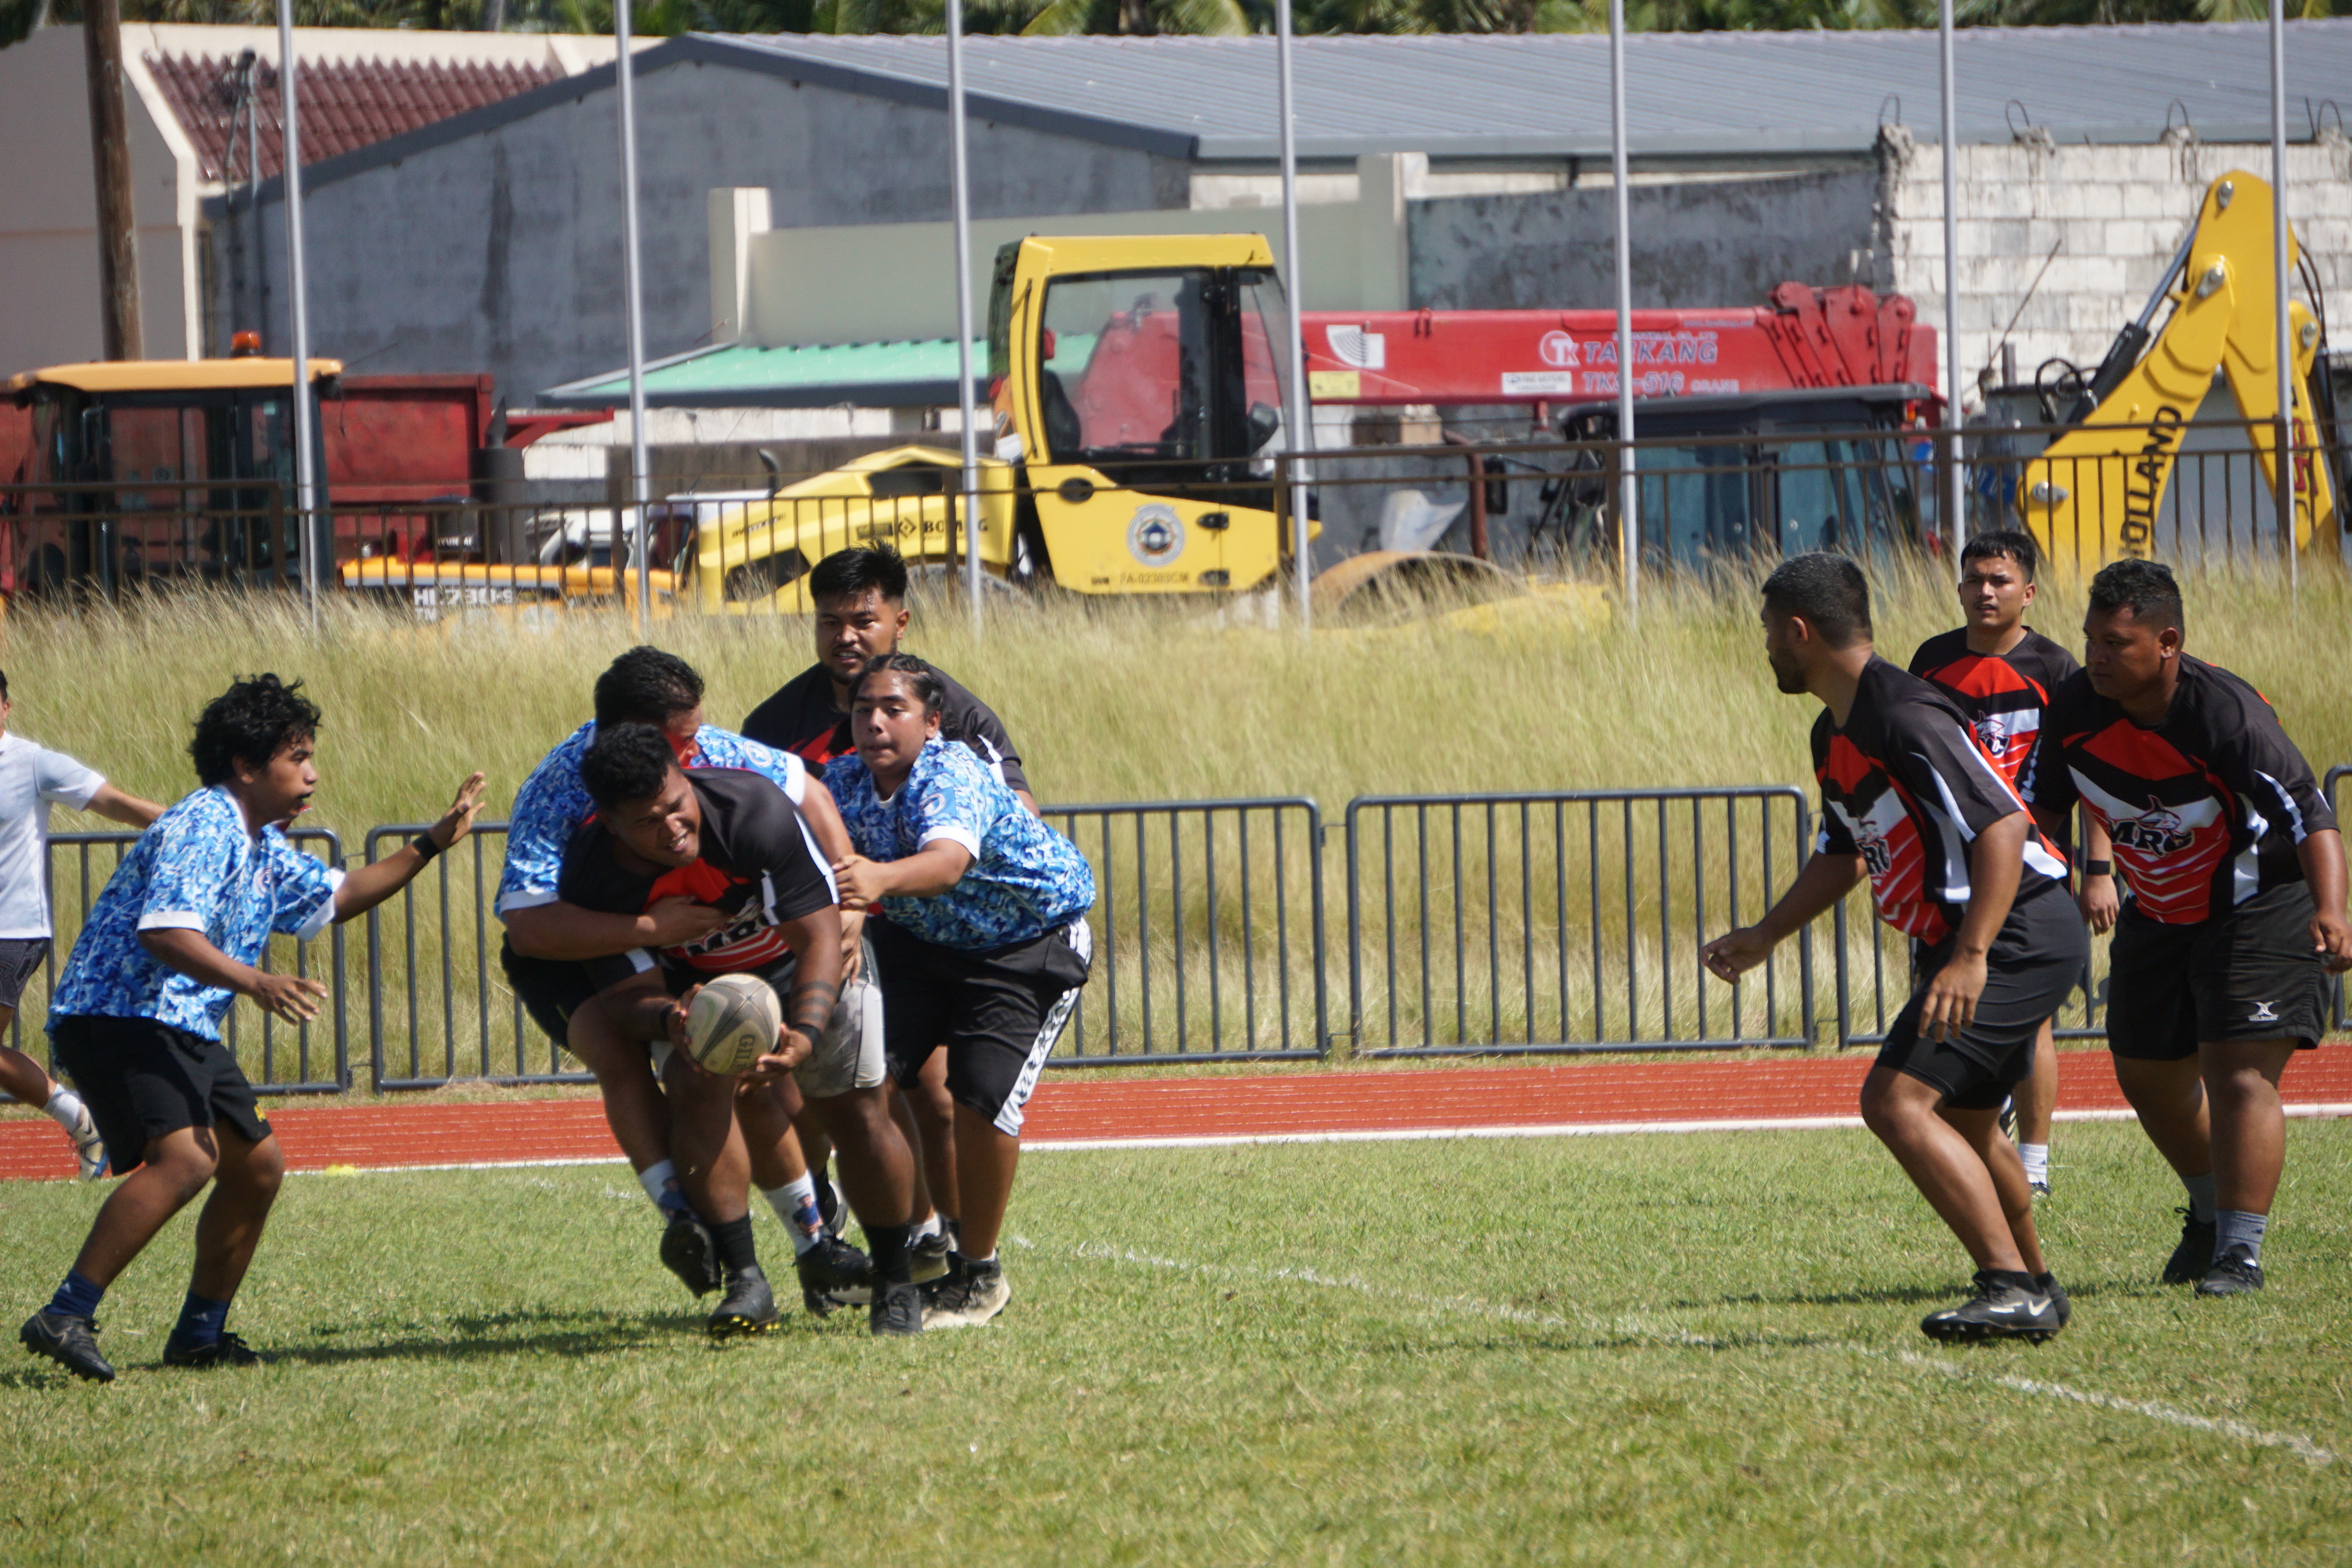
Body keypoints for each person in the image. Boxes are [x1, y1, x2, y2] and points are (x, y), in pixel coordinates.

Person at [18, 675, 485, 1382]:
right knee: (188, 1160)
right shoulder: (204, 823)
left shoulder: (261, 844)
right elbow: (167, 934)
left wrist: (429, 844)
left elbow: (339, 895)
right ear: (246, 766)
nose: (313, 772)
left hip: (178, 1023)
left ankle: (199, 1337)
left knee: (258, 1167)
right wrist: (258, 981)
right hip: (117, 1015)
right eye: (297, 757)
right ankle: (66, 1313)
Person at [1701, 554, 2082, 1343]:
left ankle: (2008, 1284)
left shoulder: (1907, 713)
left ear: (1799, 631)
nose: (1766, 643)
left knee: (1894, 1101)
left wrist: (1972, 956)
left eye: (1769, 628)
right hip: (1982, 933)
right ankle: (2037, 1282)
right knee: (1973, 1123)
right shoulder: (1833, 726)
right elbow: (1844, 850)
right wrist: (1765, 936)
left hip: (2018, 930)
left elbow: (2007, 825)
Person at [495, 648, 867, 1306]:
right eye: (684, 737)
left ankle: (816, 1243)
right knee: (633, 1058)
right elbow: (532, 927)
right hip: (575, 940)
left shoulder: (701, 760)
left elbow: (807, 791)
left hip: (682, 940)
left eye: (697, 734)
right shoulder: (558, 792)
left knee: (736, 1060)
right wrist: (651, 933)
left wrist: (851, 902)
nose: (698, 746)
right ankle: (687, 1220)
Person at [2022, 560, 2352, 1296]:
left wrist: (2333, 909)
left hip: (2260, 899)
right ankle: (2207, 1218)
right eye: (2091, 640)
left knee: (2238, 1072)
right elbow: (2044, 812)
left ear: (2167, 642)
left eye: (2116, 642)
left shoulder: (2223, 712)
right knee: (2145, 1073)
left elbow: (2308, 811)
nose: (2097, 657)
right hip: (2160, 908)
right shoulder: (2075, 706)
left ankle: (2241, 1253)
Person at [560, 724, 926, 1337]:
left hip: (811, 964)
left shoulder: (754, 812)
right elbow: (626, 994)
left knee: (857, 1109)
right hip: (706, 991)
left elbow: (818, 936)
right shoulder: (594, 872)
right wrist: (670, 1020)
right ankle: (745, 1279)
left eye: (677, 805)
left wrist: (805, 1033)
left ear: (686, 776)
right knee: (691, 1077)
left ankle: (895, 1280)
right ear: (612, 824)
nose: (673, 827)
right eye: (648, 823)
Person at [741, 544, 1036, 1278]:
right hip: (820, 926)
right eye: (829, 622)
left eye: (863, 620)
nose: (846, 636)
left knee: (933, 1096)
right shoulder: (778, 722)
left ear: (899, 621)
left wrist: (916, 878)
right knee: (815, 1087)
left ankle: (956, 1245)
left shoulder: (951, 710)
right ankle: (854, 1228)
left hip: (922, 926)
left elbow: (1020, 811)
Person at [827, 654, 1095, 1329]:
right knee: (858, 1081)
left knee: (981, 1099)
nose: (877, 722)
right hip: (926, 943)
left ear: (932, 721)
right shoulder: (841, 781)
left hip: (1026, 942)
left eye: (895, 709)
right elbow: (822, 864)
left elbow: (946, 865)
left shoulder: (952, 772)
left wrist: (873, 885)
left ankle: (980, 1275)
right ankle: (901, 1253)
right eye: (864, 710)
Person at [1906, 529, 2105, 1196]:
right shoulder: (1931, 661)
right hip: (1949, 867)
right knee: (1947, 998)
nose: (1985, 591)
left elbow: (2094, 773)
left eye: (1999, 580)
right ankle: (1974, 1134)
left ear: (2029, 591)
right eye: (1973, 579)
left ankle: (2036, 1161)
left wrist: (2098, 869)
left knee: (2034, 1017)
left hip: (2034, 863)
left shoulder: (2057, 669)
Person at [0, 668, 167, 1179]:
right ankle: (79, 1118)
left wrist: (200, 827)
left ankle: (79, 1117)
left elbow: (117, 802)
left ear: (5, 706)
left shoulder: (31, 763)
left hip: (13, 929)